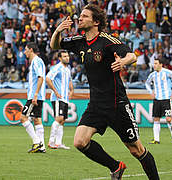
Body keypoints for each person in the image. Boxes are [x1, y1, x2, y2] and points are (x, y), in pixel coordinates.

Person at [50, 4, 159, 180]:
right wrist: (58, 31)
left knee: (136, 150)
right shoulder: (80, 41)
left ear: (96, 22)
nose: (80, 18)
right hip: (96, 105)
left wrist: (123, 62)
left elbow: (131, 55)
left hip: (117, 104)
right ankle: (116, 167)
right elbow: (55, 46)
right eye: (81, 15)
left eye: (85, 16)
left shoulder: (107, 40)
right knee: (79, 141)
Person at [145, 58, 172, 144]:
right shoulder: (152, 75)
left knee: (168, 119)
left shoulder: (166, 72)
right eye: (154, 64)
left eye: (156, 63)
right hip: (157, 100)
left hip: (166, 99)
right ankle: (156, 139)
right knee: (156, 119)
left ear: (161, 64)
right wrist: (151, 92)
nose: (154, 65)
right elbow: (146, 83)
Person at [20, 42, 46, 153]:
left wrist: (35, 94)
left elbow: (41, 78)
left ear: (31, 49)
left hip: (34, 96)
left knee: (23, 118)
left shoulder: (36, 61)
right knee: (37, 119)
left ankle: (37, 142)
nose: (24, 52)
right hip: (38, 95)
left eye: (26, 49)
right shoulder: (37, 61)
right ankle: (42, 146)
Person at [46, 50, 74, 150]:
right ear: (60, 58)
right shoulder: (57, 68)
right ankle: (51, 141)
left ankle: (59, 143)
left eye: (67, 56)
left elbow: (69, 80)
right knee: (59, 118)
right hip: (57, 98)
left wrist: (71, 90)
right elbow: (48, 79)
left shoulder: (68, 69)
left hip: (65, 98)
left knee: (63, 120)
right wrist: (55, 91)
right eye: (64, 56)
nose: (67, 58)